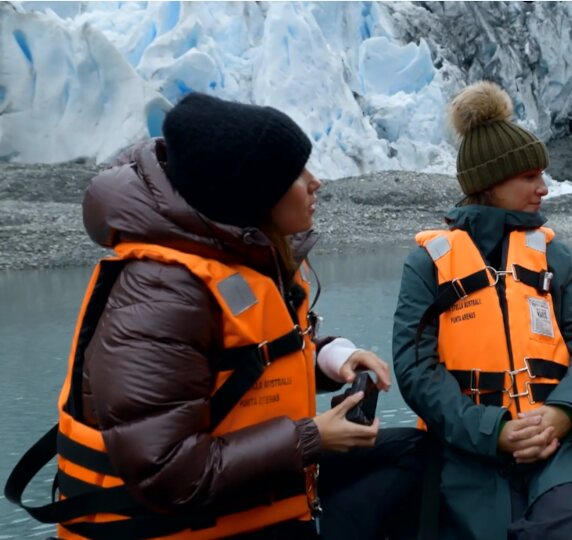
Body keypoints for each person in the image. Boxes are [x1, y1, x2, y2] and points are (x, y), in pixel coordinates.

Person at [5, 93, 423, 539]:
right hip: (180, 524)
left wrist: (331, 358)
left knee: (413, 451)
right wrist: (312, 439)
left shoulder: (229, 260)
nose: (315, 182)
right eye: (295, 174)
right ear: (251, 195)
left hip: (246, 497)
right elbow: (167, 473)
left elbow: (245, 360)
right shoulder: (163, 294)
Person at [391, 81, 572, 540]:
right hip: (469, 443)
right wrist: (490, 431)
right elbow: (415, 367)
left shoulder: (552, 254)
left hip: (560, 439)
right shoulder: (429, 262)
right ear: (490, 183)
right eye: (530, 177)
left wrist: (563, 414)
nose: (544, 188)